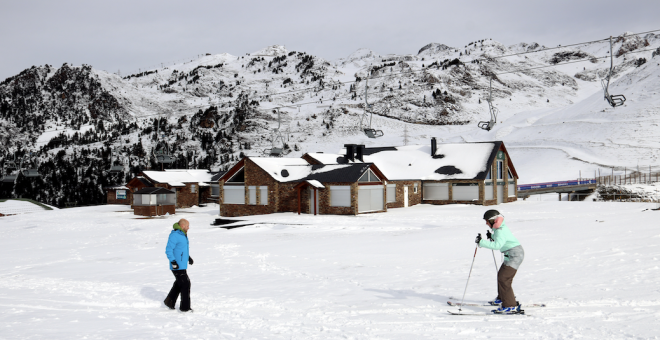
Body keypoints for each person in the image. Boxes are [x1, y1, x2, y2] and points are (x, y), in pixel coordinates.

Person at [475, 209, 524, 314]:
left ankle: (510, 305)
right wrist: (491, 236)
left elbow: (497, 245)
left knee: (504, 279)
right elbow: (502, 239)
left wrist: (481, 242)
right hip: (512, 255)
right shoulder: (499, 229)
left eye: (487, 221)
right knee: (502, 276)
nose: (486, 223)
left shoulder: (500, 230)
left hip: (514, 255)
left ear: (493, 220)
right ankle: (502, 298)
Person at [164, 219, 194, 312]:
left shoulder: (182, 234)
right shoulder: (175, 235)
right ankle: (185, 308)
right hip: (176, 265)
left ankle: (169, 301)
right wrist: (173, 262)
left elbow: (181, 249)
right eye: (187, 226)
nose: (188, 227)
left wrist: (188, 257)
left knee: (179, 283)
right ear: (182, 226)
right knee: (185, 284)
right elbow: (168, 250)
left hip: (182, 264)